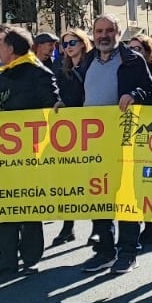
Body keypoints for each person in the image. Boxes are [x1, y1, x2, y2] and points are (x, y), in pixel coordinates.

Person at [78, 15, 152, 274]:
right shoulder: (88, 60)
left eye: (108, 30)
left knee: (126, 197)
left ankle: (127, 251)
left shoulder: (132, 60)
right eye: (98, 31)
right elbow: (77, 92)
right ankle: (104, 250)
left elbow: (151, 91)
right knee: (98, 196)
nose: (103, 35)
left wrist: (134, 95)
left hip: (124, 139)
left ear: (117, 32)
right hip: (93, 143)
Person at [0, 26, 60, 275]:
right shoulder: (2, 75)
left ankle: (30, 257)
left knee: (28, 206)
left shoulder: (39, 73)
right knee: (4, 206)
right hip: (4, 154)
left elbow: (53, 107)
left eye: (1, 45)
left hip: (31, 153)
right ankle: (6, 259)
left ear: (12, 48)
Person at [48, 30, 89, 248]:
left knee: (95, 180)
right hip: (70, 130)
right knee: (68, 181)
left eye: (73, 42)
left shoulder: (92, 65)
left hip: (94, 128)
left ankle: (99, 228)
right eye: (65, 44)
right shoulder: (61, 69)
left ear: (83, 44)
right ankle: (67, 226)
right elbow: (57, 94)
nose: (69, 47)